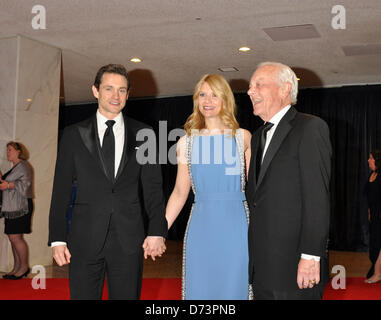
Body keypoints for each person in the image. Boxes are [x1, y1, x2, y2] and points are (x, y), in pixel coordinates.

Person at [48, 64, 167, 300]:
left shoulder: (146, 134)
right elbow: (60, 189)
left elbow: (153, 188)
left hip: (129, 238)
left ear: (128, 94)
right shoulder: (73, 134)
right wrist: (57, 238)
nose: (116, 96)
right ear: (95, 91)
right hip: (84, 238)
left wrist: (157, 231)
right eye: (109, 89)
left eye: (122, 90)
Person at [246, 62, 332, 300]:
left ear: (285, 90)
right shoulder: (256, 138)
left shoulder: (310, 128)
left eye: (258, 85)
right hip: (262, 268)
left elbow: (317, 198)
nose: (250, 91)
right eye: (250, 86)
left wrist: (311, 256)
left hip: (296, 268)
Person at [165, 74, 252, 299]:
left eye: (214, 95)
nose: (207, 100)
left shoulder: (242, 138)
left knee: (236, 285)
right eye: (202, 94)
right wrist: (159, 230)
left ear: (226, 99)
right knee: (201, 288)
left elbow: (255, 190)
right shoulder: (186, 143)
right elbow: (179, 192)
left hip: (237, 226)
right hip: (202, 226)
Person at [0, 142, 33, 280]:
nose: (8, 153)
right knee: (13, 238)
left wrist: (8, 184)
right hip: (12, 207)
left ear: (19, 151)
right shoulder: (15, 167)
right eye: (7, 150)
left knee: (16, 238)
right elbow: (6, 184)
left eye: (10, 150)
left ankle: (24, 267)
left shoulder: (23, 165)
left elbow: (26, 185)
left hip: (20, 207)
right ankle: (17, 268)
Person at [364, 150, 381, 283]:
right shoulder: (372, 174)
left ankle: (378, 273)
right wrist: (370, 211)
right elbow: (370, 197)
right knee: (375, 245)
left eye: (371, 158)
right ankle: (376, 270)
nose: (369, 160)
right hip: (374, 216)